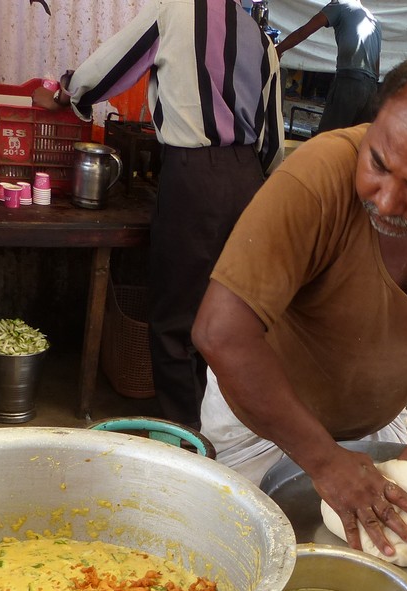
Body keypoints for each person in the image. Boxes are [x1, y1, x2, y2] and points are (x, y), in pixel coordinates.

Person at [193, 56, 407, 556]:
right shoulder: (316, 178)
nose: (387, 201)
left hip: (376, 427)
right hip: (262, 426)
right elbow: (221, 332)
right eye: (378, 164)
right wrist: (324, 460)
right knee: (244, 560)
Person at [33, 0, 284, 430]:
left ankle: (185, 437)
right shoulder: (261, 41)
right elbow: (273, 141)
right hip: (249, 181)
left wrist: (65, 95)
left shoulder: (174, 12)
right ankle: (218, 427)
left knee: (174, 323)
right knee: (225, 317)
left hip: (193, 178)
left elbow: (109, 67)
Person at [276, 0, 382, 133]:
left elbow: (303, 32)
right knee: (356, 140)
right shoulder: (374, 21)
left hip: (350, 82)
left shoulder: (341, 4)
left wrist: (277, 50)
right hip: (371, 89)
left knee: (328, 137)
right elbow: (377, 67)